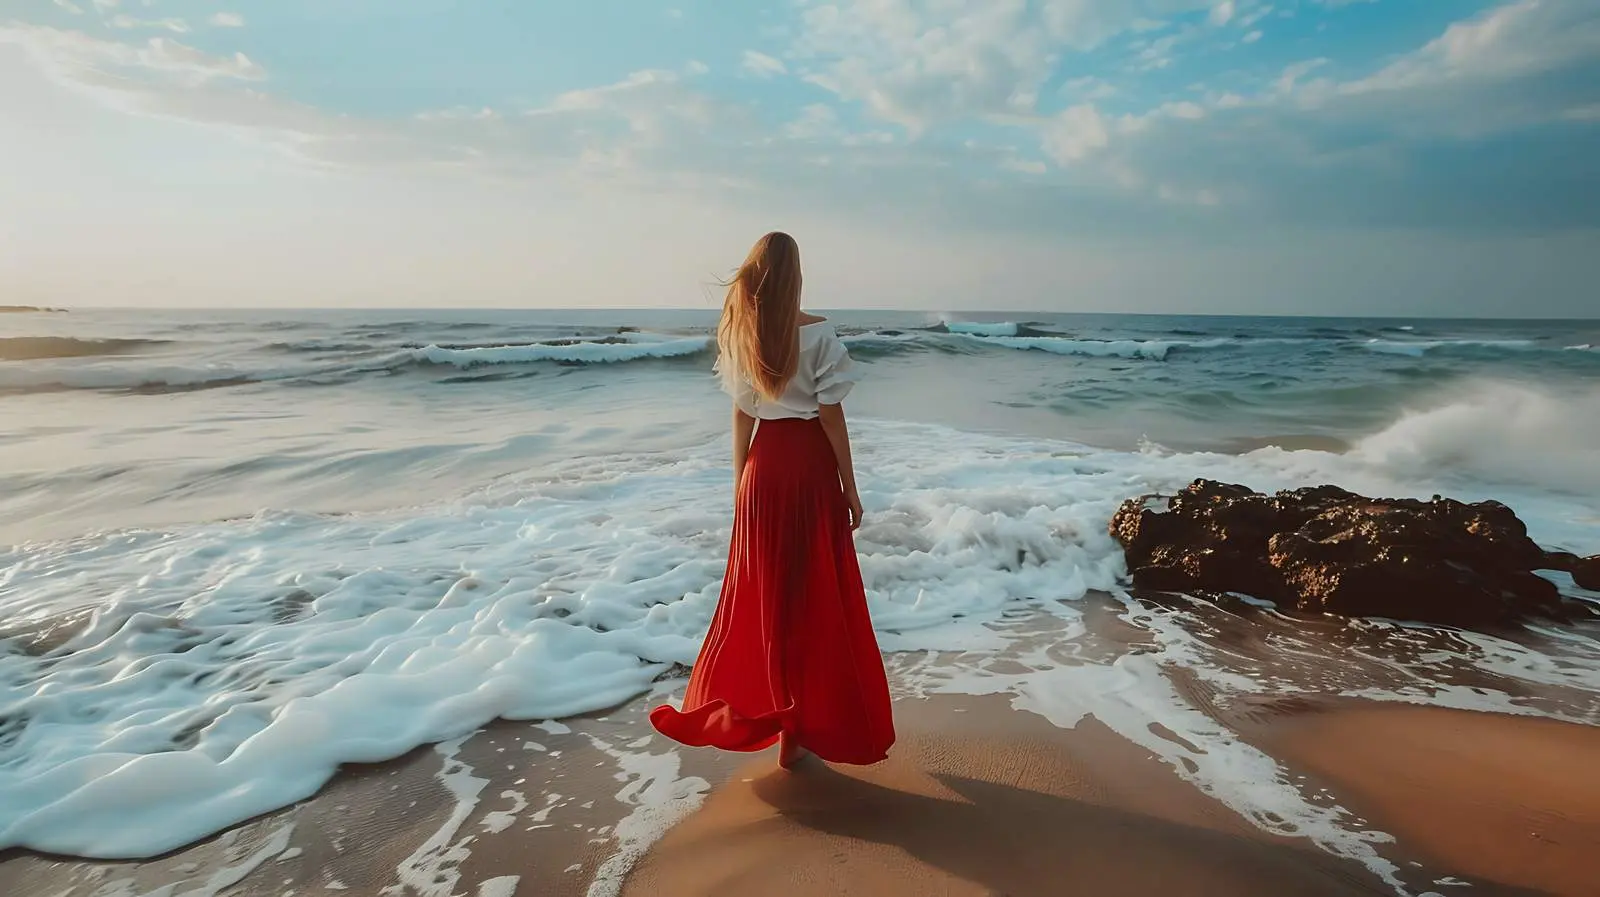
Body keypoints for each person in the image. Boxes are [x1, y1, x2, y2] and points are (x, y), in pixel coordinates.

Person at [649, 231, 896, 769]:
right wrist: (850, 486)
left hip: (763, 469)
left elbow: (742, 413)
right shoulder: (820, 334)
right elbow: (830, 416)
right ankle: (799, 731)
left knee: (765, 599)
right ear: (796, 274)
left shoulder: (743, 335)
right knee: (813, 598)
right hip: (807, 469)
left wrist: (741, 482)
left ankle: (781, 724)